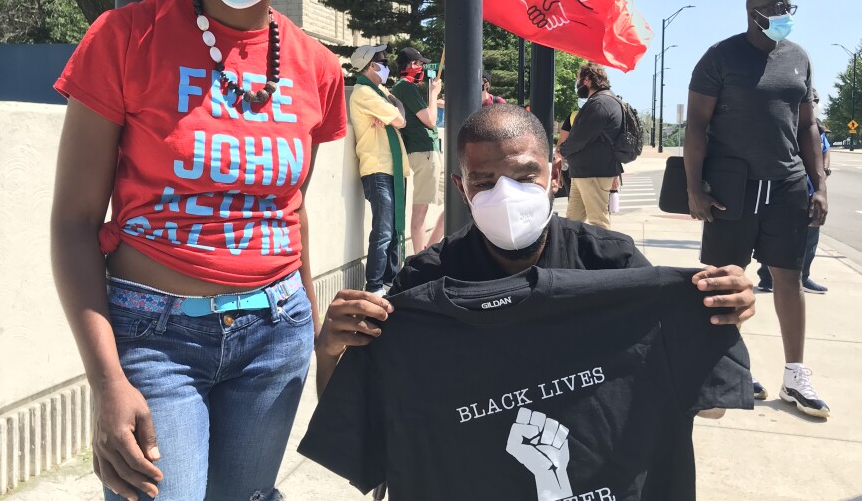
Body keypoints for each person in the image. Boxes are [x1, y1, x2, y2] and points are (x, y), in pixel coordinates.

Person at [50, 0, 347, 500]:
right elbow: (74, 223)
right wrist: (105, 381)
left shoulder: (319, 70)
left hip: (275, 337)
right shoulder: (126, 37)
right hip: (154, 338)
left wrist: (314, 333)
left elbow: (291, 212)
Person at [315, 104, 756, 398]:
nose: (505, 194)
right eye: (484, 181)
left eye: (525, 176)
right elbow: (357, 416)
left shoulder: (611, 264)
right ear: (461, 189)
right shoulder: (423, 282)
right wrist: (330, 352)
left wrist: (715, 316)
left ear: (556, 175)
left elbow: (702, 400)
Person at [685, 0, 829, 417]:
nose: (786, 13)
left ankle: (795, 376)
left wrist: (817, 183)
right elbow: (696, 125)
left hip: (787, 184)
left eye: (789, 6)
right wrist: (696, 188)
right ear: (755, 13)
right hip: (733, 188)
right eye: (777, 7)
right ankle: (728, 368)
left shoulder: (798, 57)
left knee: (790, 277)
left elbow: (807, 126)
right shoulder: (720, 57)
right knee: (724, 279)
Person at [348, 44, 410, 295]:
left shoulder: (380, 91)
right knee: (384, 231)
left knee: (395, 229)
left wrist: (392, 103)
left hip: (394, 168)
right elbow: (400, 120)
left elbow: (397, 114)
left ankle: (389, 281)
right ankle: (374, 286)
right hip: (377, 169)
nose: (386, 65)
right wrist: (392, 107)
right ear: (370, 66)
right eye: (382, 61)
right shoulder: (364, 92)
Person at [757, 113, 831, 294]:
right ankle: (767, 278)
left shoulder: (815, 128)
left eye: (815, 100)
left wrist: (824, 172)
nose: (813, 103)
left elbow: (825, 150)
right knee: (776, 237)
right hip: (787, 189)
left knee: (810, 238)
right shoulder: (785, 124)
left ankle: (803, 277)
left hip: (811, 191)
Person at [389, 47, 445, 254]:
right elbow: (430, 121)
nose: (422, 67)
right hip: (423, 152)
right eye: (420, 63)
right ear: (411, 65)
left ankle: (428, 251)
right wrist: (433, 94)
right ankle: (421, 258)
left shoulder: (406, 88)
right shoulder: (405, 87)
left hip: (429, 151)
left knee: (456, 197)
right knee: (420, 211)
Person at [562, 63, 623, 229]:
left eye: (578, 80)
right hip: (584, 173)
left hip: (593, 173)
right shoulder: (607, 100)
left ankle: (604, 255)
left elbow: (580, 138)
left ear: (587, 80)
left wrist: (561, 151)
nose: (578, 85)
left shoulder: (600, 104)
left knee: (598, 223)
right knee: (572, 222)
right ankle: (571, 253)